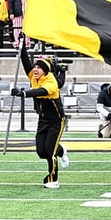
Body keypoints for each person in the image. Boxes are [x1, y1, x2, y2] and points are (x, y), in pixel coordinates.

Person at [11, 46, 69, 188]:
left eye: (39, 67)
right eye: (35, 66)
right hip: (42, 120)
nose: (35, 69)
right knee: (41, 152)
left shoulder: (51, 81)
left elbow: (40, 92)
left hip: (56, 120)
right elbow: (25, 61)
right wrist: (22, 45)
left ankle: (53, 179)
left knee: (49, 152)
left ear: (45, 71)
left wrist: (24, 94)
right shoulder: (34, 76)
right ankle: (61, 150)